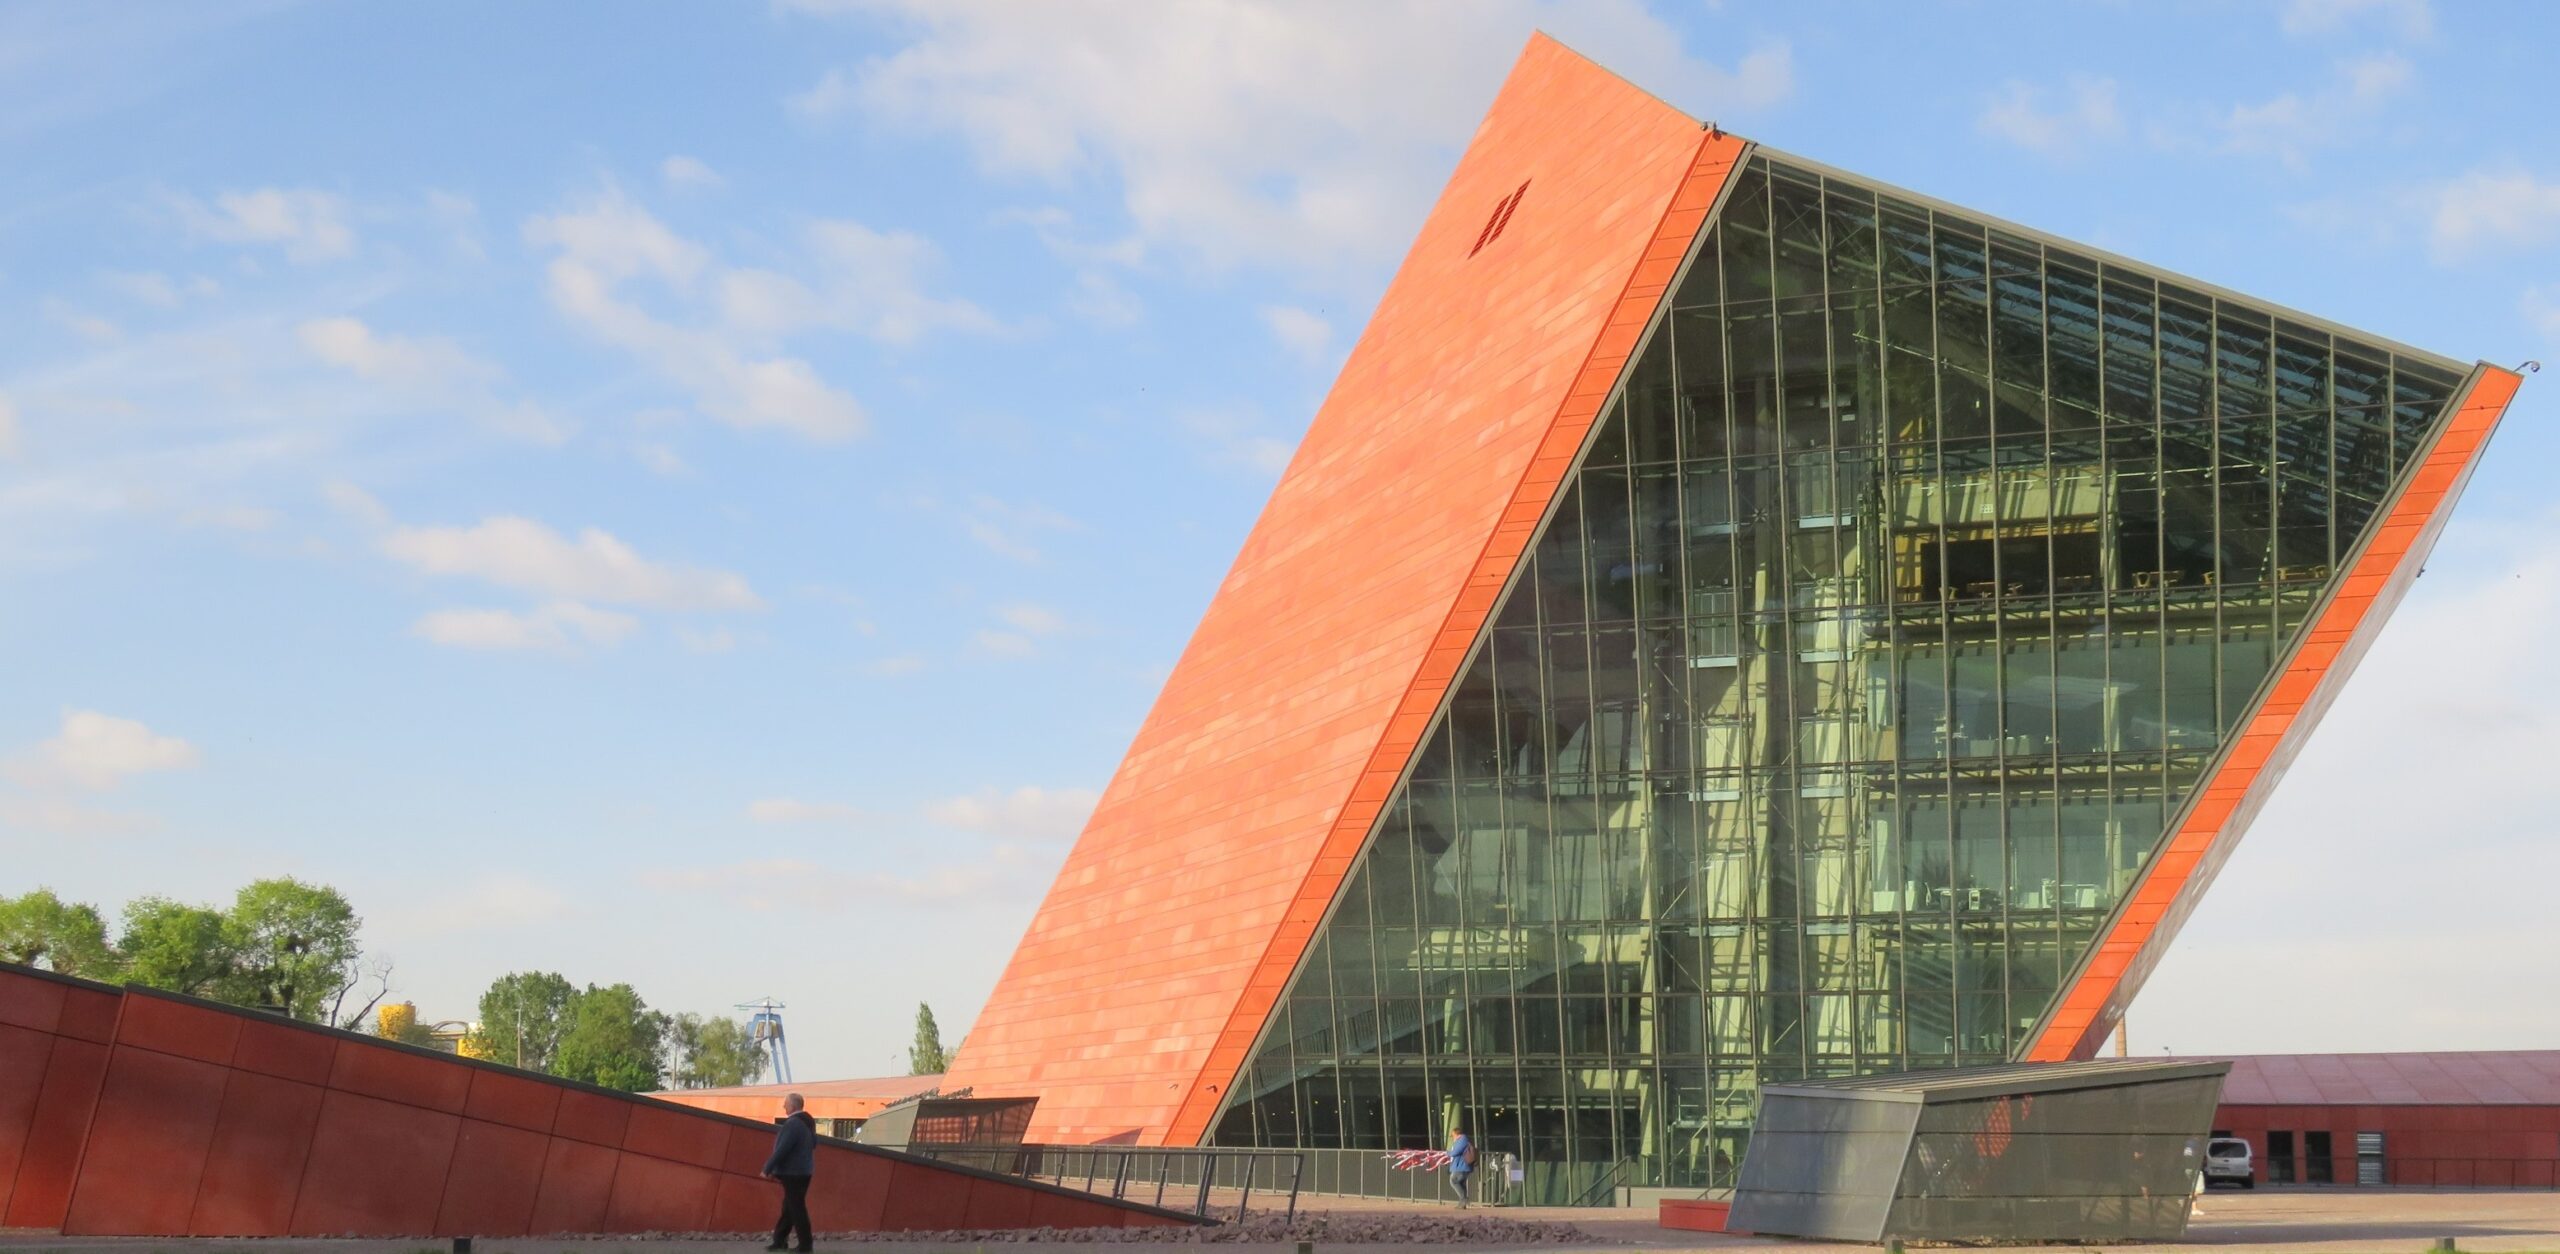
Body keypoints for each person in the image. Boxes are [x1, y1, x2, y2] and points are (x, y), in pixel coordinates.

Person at [762, 1092, 817, 1253]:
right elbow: (813, 1144)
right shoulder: (808, 1122)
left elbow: (782, 1149)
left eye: (785, 1103)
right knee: (789, 1207)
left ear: (792, 1106)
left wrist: (767, 1168)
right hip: (805, 1171)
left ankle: (805, 1245)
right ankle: (779, 1240)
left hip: (793, 1172)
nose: (783, 1106)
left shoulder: (792, 1124)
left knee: (796, 1208)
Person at [1446, 1124, 1476, 1209]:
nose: (1452, 1137)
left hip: (1461, 1166)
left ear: (1457, 1134)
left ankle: (1464, 1199)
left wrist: (1447, 1153)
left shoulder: (1462, 1140)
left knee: (1453, 1181)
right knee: (1461, 1184)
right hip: (1461, 1166)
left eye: (1453, 1135)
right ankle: (1462, 1203)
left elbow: (1455, 1152)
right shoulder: (1462, 1141)